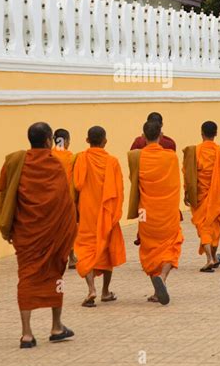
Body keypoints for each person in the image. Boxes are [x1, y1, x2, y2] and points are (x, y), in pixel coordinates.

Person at [0, 122, 77, 348]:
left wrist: (8, 226)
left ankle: (26, 334)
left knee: (26, 277)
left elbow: (5, 193)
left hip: (26, 233)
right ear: (48, 141)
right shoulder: (54, 164)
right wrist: (67, 231)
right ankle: (56, 326)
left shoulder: (15, 163)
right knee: (55, 276)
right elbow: (65, 203)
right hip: (53, 235)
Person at [128, 119, 183, 305]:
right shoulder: (171, 157)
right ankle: (163, 277)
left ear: (143, 136)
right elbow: (176, 182)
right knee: (173, 243)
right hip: (168, 211)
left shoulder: (137, 157)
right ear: (161, 135)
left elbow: (133, 180)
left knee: (149, 249)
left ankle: (155, 287)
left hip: (147, 214)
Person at [73, 126, 126, 307]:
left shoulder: (82, 158)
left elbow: (78, 184)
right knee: (106, 249)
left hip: (88, 210)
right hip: (107, 212)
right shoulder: (112, 162)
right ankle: (105, 291)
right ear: (105, 141)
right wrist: (116, 211)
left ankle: (91, 289)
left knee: (87, 248)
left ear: (87, 140)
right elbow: (119, 190)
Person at [183, 121, 220, 272]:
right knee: (215, 227)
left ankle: (210, 258)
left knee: (204, 226)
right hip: (217, 196)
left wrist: (187, 193)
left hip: (200, 196)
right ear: (216, 134)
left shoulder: (195, 152)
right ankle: (214, 257)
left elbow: (188, 175)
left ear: (201, 133)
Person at [52, 128, 78, 269]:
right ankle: (71, 257)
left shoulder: (49, 155)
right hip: (67, 198)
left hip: (50, 199)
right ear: (66, 141)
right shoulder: (70, 157)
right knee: (69, 229)